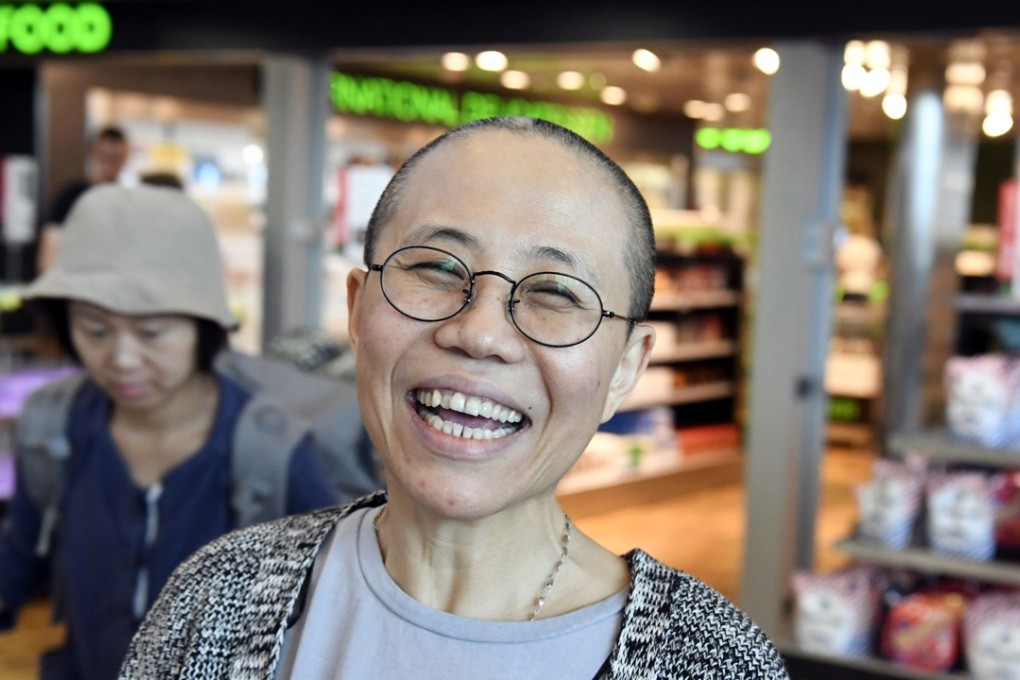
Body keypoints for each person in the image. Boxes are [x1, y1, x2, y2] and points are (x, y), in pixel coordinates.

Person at [119, 117, 788, 679]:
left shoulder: (715, 663)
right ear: (357, 311)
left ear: (625, 370)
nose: (479, 334)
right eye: (437, 270)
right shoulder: (215, 599)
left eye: (555, 294)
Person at [0, 184, 340, 680]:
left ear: (204, 328)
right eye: (94, 329)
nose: (121, 359)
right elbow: (19, 556)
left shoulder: (272, 450)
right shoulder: (53, 427)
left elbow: (327, 611)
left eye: (152, 332)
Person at [37, 126, 131, 273]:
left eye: (117, 158)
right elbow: (50, 249)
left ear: (125, 158)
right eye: (106, 156)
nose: (111, 164)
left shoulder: (128, 201)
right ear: (93, 154)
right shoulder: (71, 196)